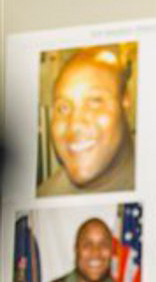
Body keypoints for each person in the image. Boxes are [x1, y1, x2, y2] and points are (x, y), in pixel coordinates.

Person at [38, 47, 135, 196]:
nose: (75, 124)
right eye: (63, 108)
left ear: (125, 103)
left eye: (95, 101)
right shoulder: (45, 195)